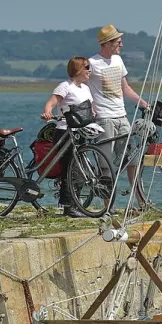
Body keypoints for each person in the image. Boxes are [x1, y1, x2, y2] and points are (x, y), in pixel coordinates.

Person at [87, 24, 150, 186]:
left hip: (122, 117)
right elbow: (82, 86)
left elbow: (125, 87)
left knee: (132, 160)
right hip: (104, 119)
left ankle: (140, 200)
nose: (121, 45)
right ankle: (108, 207)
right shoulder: (92, 63)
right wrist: (91, 104)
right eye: (118, 42)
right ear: (107, 43)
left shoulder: (118, 60)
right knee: (105, 164)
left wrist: (142, 103)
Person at [41, 56, 96, 218]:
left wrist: (93, 113)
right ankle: (69, 206)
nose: (89, 70)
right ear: (78, 69)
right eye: (86, 67)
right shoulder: (65, 86)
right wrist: (48, 112)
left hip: (80, 132)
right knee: (71, 169)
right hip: (65, 131)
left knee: (79, 169)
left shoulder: (85, 88)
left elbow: (88, 108)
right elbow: (51, 103)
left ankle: (74, 203)